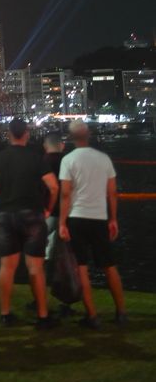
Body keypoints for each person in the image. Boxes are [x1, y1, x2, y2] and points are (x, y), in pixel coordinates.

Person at [0, 117, 58, 328]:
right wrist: (49, 208)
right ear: (26, 134)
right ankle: (42, 315)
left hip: (6, 214)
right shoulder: (36, 158)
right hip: (32, 214)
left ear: (9, 135)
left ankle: (5, 314)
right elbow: (53, 187)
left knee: (7, 266)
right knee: (35, 267)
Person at [58, 120, 127, 328]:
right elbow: (112, 192)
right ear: (88, 135)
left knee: (82, 268)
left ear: (70, 138)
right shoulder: (104, 159)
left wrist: (62, 222)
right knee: (109, 265)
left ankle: (92, 316)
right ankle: (121, 312)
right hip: (99, 218)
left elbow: (66, 194)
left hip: (77, 218)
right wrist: (113, 218)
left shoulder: (68, 160)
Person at [42, 130, 65, 260]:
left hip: (46, 210)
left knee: (44, 246)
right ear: (62, 145)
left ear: (45, 146)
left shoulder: (40, 162)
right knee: (63, 248)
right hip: (66, 210)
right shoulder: (68, 161)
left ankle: (45, 274)